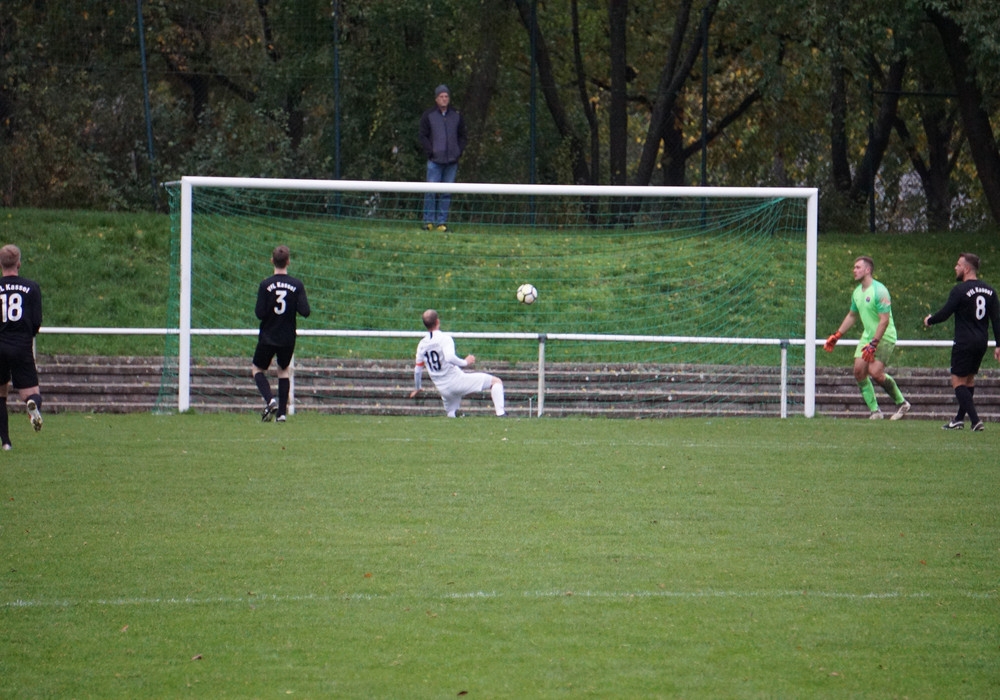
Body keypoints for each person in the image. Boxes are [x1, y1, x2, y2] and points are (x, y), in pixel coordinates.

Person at [824, 255, 911, 420]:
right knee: (859, 371)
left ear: (867, 270)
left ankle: (902, 403)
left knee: (875, 372)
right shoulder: (857, 293)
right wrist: (837, 335)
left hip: (885, 336)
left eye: (858, 267)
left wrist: (874, 344)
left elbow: (884, 321)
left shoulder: (880, 291)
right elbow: (852, 315)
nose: (854, 270)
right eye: (854, 267)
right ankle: (875, 412)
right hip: (868, 336)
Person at [923, 253, 1000, 431]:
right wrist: (998, 344)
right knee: (969, 381)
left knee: (958, 382)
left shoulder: (959, 290)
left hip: (964, 342)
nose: (955, 268)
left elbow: (945, 313)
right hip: (981, 341)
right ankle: (958, 419)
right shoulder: (990, 291)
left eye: (958, 265)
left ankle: (975, 421)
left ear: (966, 269)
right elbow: (996, 319)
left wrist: (930, 320)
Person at [410, 309, 506, 417]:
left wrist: (418, 387)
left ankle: (455, 417)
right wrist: (465, 362)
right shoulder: (444, 339)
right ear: (438, 321)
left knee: (451, 412)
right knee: (496, 382)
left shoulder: (422, 344)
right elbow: (449, 357)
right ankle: (501, 415)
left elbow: (418, 370)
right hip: (456, 381)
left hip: (442, 388)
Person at [252, 245, 310, 422]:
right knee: (283, 370)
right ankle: (282, 414)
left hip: (268, 335)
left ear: (272, 261)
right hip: (287, 337)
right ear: (288, 262)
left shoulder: (265, 284)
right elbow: (305, 311)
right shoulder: (297, 285)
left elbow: (259, 313)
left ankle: (270, 400)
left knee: (256, 369)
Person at [0, 244, 44, 449]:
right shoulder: (32, 287)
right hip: (21, 347)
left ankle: (6, 443)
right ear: (19, 263)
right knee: (32, 393)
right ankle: (31, 406)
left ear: (1, 264)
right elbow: (36, 321)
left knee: (1, 394)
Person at [418, 84, 467, 232]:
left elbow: (463, 136)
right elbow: (422, 136)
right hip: (435, 161)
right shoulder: (429, 115)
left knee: (446, 193)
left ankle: (441, 223)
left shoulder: (456, 115)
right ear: (436, 98)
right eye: (441, 96)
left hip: (452, 161)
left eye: (446, 96)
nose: (444, 99)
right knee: (431, 191)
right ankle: (428, 222)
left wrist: (458, 151)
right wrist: (431, 152)